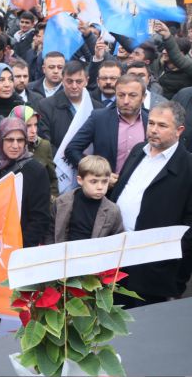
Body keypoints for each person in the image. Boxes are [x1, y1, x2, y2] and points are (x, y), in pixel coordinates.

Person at [110, 101, 192, 305]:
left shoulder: (187, 166)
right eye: (151, 123)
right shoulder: (139, 151)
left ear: (179, 130)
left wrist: (175, 273)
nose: (154, 130)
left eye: (162, 126)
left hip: (153, 271)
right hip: (115, 258)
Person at [0, 118, 51, 247]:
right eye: (9, 140)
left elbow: (40, 218)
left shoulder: (36, 171)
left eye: (20, 140)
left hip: (18, 246)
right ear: (0, 139)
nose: (15, 145)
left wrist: (19, 247)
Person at [66, 74, 148, 175]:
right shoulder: (99, 118)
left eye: (132, 95)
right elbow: (72, 150)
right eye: (121, 95)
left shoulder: (151, 120)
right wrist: (97, 173)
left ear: (143, 97)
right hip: (106, 188)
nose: (126, 101)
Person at [45, 155, 123, 244]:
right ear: (80, 180)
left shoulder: (113, 211)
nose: (100, 187)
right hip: (64, 254)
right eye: (94, 181)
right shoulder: (61, 202)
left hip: (95, 256)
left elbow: (118, 240)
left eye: (104, 181)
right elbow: (50, 232)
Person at [37, 60, 102, 153]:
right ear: (62, 80)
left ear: (86, 81)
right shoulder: (46, 106)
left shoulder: (97, 108)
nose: (74, 86)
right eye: (69, 81)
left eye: (79, 81)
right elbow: (44, 142)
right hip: (58, 164)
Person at [9, 105, 58, 198]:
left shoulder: (44, 145)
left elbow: (52, 179)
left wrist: (51, 202)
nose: (34, 131)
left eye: (35, 125)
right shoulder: (6, 148)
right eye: (28, 126)